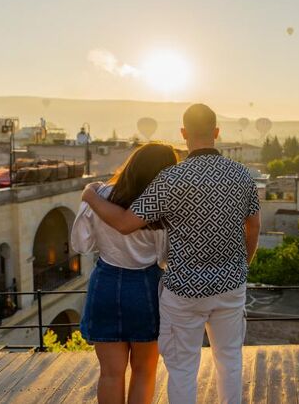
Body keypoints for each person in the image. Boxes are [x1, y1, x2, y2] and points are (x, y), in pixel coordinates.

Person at [82, 103, 261, 404]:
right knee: (230, 359)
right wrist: (243, 264)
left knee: (182, 368)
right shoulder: (242, 175)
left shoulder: (171, 179)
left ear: (184, 133)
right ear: (217, 132)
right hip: (231, 285)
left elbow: (126, 224)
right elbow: (253, 227)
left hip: (184, 291)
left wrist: (90, 195)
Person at [72, 142, 179, 404]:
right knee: (144, 371)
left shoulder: (101, 194)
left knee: (110, 373)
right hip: (145, 287)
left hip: (105, 284)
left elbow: (81, 244)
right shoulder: (160, 204)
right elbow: (164, 257)